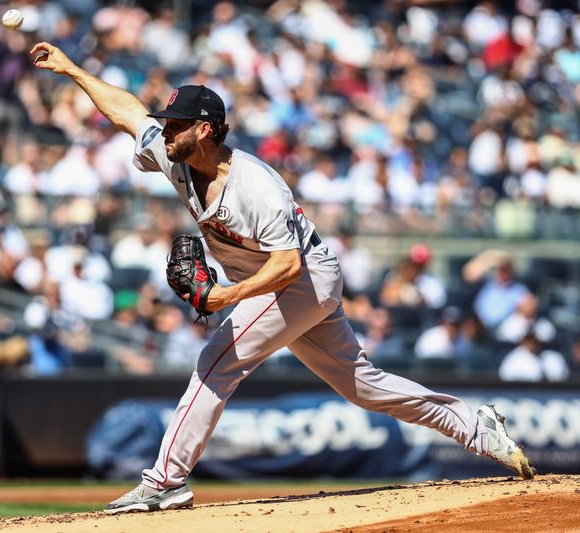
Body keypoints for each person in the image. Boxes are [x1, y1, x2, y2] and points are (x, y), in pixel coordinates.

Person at [29, 41, 535, 514]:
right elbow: (128, 113)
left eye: (176, 124)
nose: (164, 131)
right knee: (363, 385)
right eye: (166, 124)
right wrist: (71, 69)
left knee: (216, 361)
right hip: (290, 278)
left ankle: (165, 482)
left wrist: (227, 295)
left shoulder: (256, 186)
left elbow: (287, 265)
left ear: (204, 129)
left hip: (300, 277)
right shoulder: (172, 153)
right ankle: (475, 426)